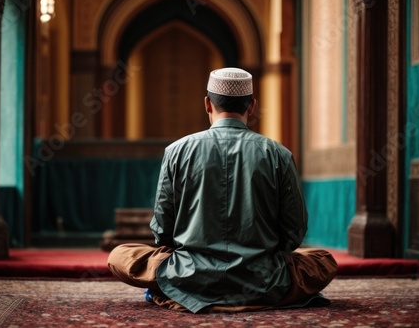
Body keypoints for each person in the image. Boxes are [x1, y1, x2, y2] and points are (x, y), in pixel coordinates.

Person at [107, 67, 337, 313]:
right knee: (322, 261)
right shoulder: (278, 153)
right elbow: (294, 231)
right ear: (252, 106)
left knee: (120, 256)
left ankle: (181, 290)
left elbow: (162, 230)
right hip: (263, 279)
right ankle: (259, 294)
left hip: (190, 276)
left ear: (207, 104)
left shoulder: (176, 151)